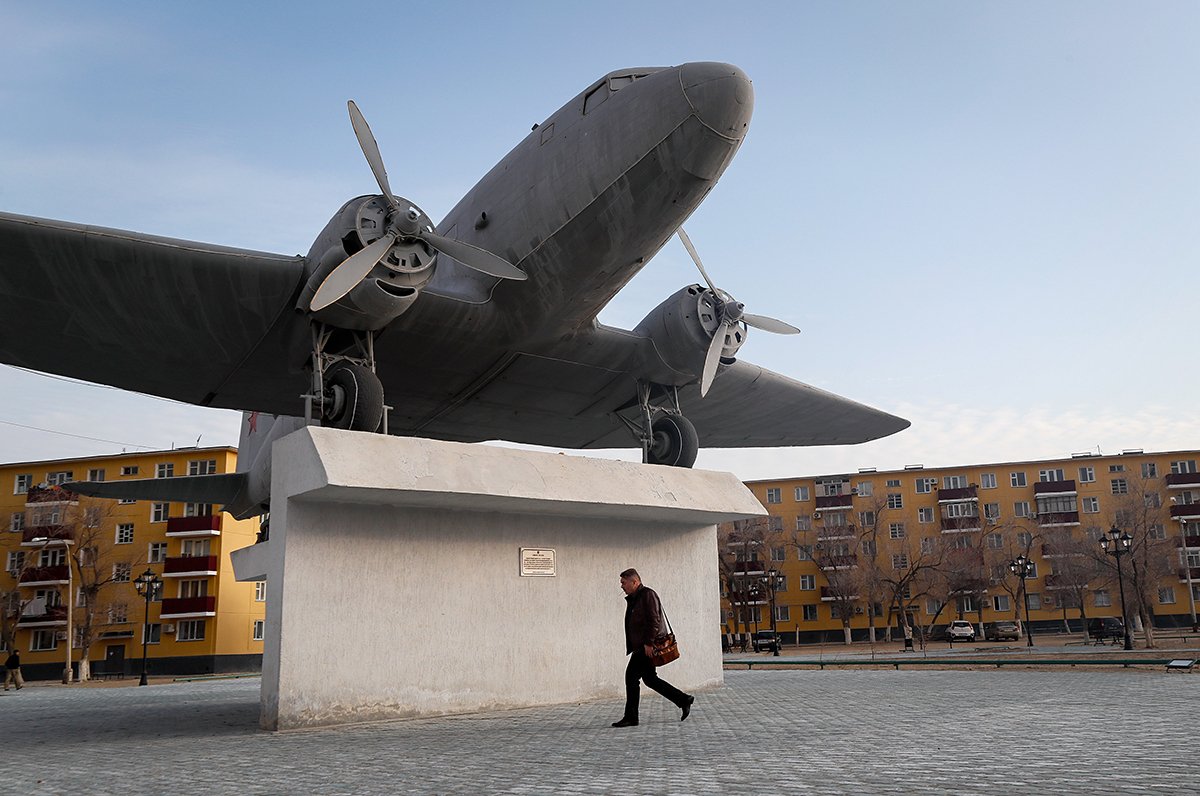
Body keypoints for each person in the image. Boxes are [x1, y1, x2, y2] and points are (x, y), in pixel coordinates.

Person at [611, 568, 694, 727]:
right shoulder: (636, 597)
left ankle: (631, 717)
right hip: (641, 645)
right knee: (650, 679)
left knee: (631, 677)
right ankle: (683, 699)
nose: (621, 586)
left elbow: (654, 620)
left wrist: (648, 643)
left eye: (623, 582)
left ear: (634, 582)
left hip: (646, 645)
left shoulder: (647, 595)